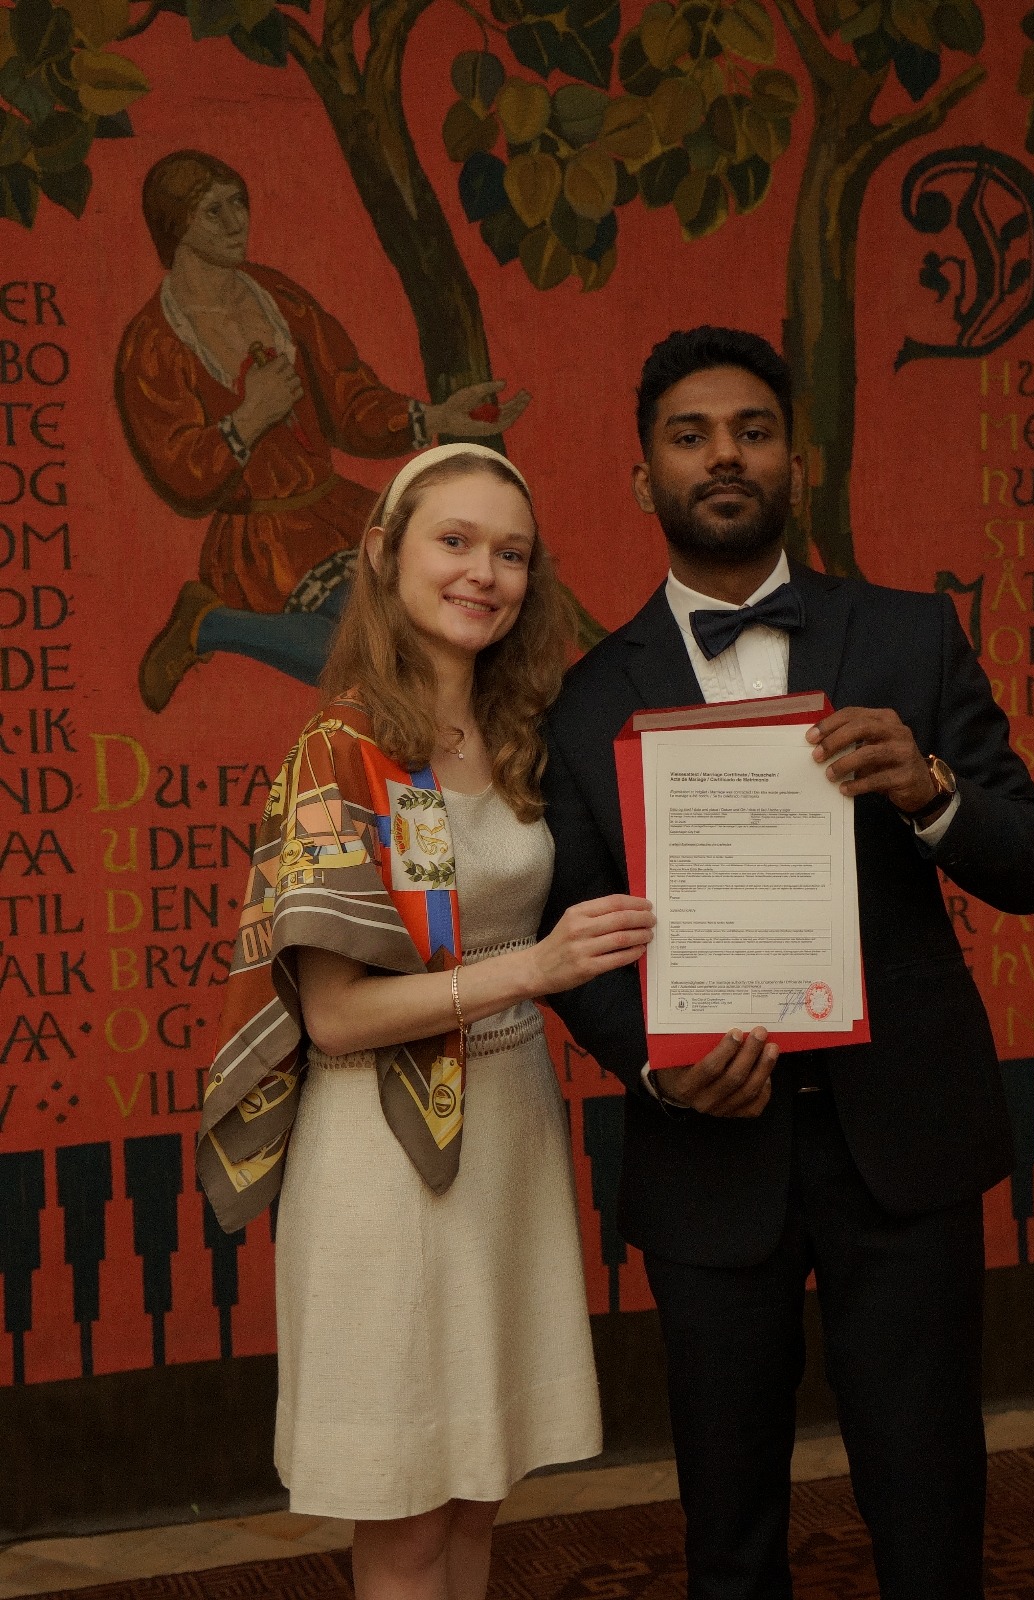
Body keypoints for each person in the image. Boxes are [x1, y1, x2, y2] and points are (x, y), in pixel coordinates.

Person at [539, 328, 1034, 1599]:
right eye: (688, 435)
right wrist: (659, 1077)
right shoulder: (583, 698)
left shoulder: (906, 638)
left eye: (751, 430)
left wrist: (932, 791)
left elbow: (1028, 860)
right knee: (726, 1526)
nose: (723, 455)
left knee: (929, 1500)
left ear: (794, 459)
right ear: (641, 477)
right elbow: (573, 937)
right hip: (711, 1150)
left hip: (906, 1137)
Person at [198, 443, 654, 1600]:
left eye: (509, 552)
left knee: (475, 1489)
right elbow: (340, 1020)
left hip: (506, 1134)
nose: (483, 573)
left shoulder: (517, 740)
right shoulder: (338, 749)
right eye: (453, 542)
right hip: (384, 1163)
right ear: (385, 555)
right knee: (402, 1514)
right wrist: (536, 968)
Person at [116, 150, 530, 711]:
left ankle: (208, 626)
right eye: (214, 211)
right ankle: (210, 625)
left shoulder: (275, 296)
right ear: (175, 225)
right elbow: (178, 474)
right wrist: (247, 420)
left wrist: (434, 417)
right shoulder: (154, 344)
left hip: (335, 511)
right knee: (375, 654)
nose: (237, 221)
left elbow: (346, 400)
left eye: (239, 202)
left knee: (418, 639)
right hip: (264, 542)